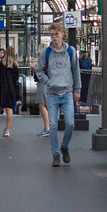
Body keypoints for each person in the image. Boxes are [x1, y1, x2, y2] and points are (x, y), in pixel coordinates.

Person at [36, 22, 80, 167]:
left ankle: (65, 146)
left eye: (56, 34)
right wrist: (48, 82)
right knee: (53, 125)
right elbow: (39, 70)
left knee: (70, 123)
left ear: (62, 34)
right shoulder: (45, 53)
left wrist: (77, 90)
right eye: (52, 34)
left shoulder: (71, 51)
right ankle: (55, 154)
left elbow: (76, 71)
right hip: (52, 93)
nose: (54, 37)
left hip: (67, 92)